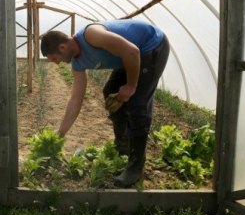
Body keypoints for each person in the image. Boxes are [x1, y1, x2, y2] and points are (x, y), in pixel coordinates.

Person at [40, 19, 169, 187]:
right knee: (111, 92)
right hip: (128, 56)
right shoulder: (78, 64)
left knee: (138, 103)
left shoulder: (92, 35)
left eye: (55, 59)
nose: (57, 63)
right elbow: (75, 99)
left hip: (150, 47)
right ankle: (123, 146)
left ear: (62, 47)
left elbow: (132, 51)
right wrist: (61, 132)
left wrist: (130, 86)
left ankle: (136, 167)